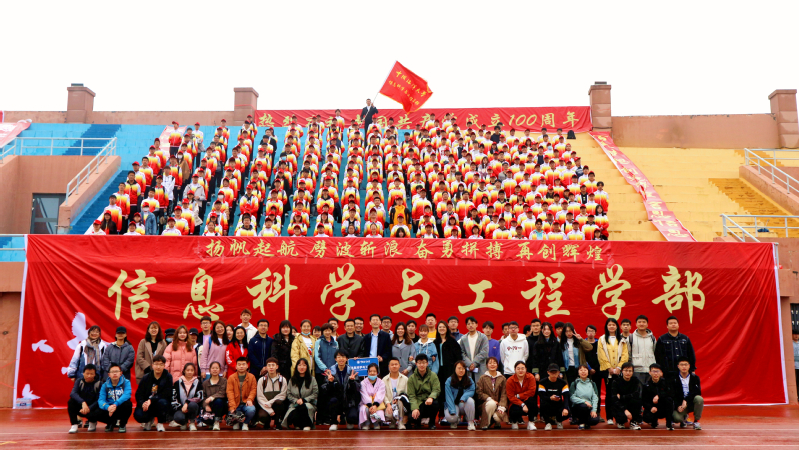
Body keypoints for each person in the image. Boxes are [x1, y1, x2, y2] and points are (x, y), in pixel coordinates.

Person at [598, 318, 628, 425]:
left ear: (616, 326)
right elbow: (601, 355)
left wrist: (619, 367)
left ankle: (619, 417)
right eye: (609, 325)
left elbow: (625, 354)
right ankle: (609, 417)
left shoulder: (622, 339)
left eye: (613, 325)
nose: (611, 326)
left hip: (619, 371)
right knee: (609, 394)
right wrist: (609, 367)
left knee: (619, 394)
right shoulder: (602, 339)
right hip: (608, 372)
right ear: (606, 326)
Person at [133, 355, 172, 431]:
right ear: (152, 365)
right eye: (156, 364)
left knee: (163, 403)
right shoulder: (146, 377)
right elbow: (139, 394)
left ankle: (160, 423)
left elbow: (167, 393)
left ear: (164, 366)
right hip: (147, 404)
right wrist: (143, 403)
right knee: (139, 415)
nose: (158, 367)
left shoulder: (168, 377)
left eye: (161, 364)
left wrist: (151, 400)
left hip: (160, 402)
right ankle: (148, 420)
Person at [323, 351, 360, 430]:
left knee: (353, 418)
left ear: (346, 359)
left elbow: (358, 388)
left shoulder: (352, 371)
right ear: (335, 359)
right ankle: (334, 422)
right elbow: (325, 389)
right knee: (332, 401)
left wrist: (352, 382)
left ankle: (349, 420)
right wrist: (330, 382)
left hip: (348, 400)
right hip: (336, 400)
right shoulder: (330, 372)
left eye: (343, 357)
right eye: (339, 357)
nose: (341, 359)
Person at [282, 359, 318, 431]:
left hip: (309, 403)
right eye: (300, 365)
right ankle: (298, 424)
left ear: (307, 367)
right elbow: (288, 394)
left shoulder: (312, 379)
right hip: (295, 404)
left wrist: (304, 400)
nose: (302, 367)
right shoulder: (292, 380)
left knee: (303, 407)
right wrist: (296, 400)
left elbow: (315, 393)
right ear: (296, 367)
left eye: (304, 365)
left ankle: (307, 424)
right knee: (292, 414)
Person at [407, 354, 441, 429]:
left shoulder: (433, 375)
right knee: (412, 418)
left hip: (428, 402)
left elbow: (436, 389)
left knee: (435, 403)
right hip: (418, 403)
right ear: (416, 364)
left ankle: (432, 423)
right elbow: (411, 395)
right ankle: (418, 421)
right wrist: (415, 408)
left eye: (424, 362)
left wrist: (431, 397)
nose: (422, 365)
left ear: (427, 363)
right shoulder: (411, 378)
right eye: (419, 363)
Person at [68, 364, 103, 433]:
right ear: (83, 373)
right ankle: (74, 424)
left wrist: (89, 408)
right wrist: (83, 402)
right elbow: (73, 393)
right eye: (87, 373)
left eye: (91, 374)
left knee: (100, 406)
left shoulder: (99, 383)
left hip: (92, 407)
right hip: (82, 407)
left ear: (95, 374)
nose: (89, 376)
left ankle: (92, 421)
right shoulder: (79, 381)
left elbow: (99, 399)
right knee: (71, 402)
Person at [98, 364, 133, 433]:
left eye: (117, 371)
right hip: (109, 409)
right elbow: (101, 400)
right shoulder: (105, 385)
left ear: (121, 373)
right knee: (97, 409)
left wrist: (115, 404)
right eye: (112, 372)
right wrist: (107, 407)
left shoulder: (126, 382)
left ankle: (122, 424)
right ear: (109, 374)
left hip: (120, 407)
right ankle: (110, 423)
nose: (114, 373)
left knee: (128, 404)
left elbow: (127, 395)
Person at [256, 358, 288, 430]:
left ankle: (277, 422)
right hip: (265, 406)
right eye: (269, 365)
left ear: (277, 367)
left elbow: (282, 395)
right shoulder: (262, 380)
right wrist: (269, 410)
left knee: (279, 402)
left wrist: (270, 403)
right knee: (262, 416)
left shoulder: (282, 380)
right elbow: (260, 397)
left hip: (276, 405)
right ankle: (267, 422)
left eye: (273, 365)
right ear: (266, 367)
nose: (271, 367)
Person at [476, 356, 508, 430]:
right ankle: (485, 423)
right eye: (490, 363)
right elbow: (479, 392)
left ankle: (495, 421)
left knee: (498, 417)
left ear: (497, 365)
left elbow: (504, 394)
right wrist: (489, 399)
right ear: (487, 365)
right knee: (491, 403)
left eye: (494, 363)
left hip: (499, 405)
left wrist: (501, 406)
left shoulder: (502, 378)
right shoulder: (482, 378)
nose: (492, 364)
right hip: (486, 405)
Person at [444, 360, 476, 430]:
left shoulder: (469, 380)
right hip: (453, 405)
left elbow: (471, 390)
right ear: (455, 369)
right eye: (459, 368)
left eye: (463, 368)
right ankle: (455, 420)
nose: (461, 370)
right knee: (452, 418)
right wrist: (452, 411)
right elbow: (448, 397)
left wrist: (463, 398)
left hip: (463, 404)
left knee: (470, 400)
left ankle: (470, 422)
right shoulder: (449, 381)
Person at [171, 362, 204, 431]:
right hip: (181, 408)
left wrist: (187, 403)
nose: (189, 372)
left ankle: (192, 422)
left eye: (192, 370)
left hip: (193, 407)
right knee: (178, 417)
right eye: (188, 370)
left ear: (194, 371)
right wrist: (181, 407)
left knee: (193, 405)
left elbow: (200, 397)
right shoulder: (177, 383)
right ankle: (184, 423)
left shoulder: (198, 383)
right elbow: (173, 398)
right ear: (184, 371)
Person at [226, 357, 257, 431]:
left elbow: (253, 390)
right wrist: (232, 406)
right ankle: (236, 422)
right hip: (235, 404)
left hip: (246, 403)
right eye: (239, 364)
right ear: (236, 366)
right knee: (230, 412)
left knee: (251, 409)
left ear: (247, 366)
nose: (241, 366)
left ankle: (245, 423)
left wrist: (250, 399)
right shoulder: (231, 378)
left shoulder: (252, 377)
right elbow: (229, 392)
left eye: (243, 364)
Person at [672, 356, 703, 430]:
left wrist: (686, 400)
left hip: (690, 402)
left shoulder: (695, 378)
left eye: (686, 364)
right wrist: (678, 405)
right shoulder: (673, 378)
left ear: (689, 366)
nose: (684, 367)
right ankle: (684, 418)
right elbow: (672, 393)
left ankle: (696, 421)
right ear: (678, 366)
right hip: (680, 403)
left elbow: (697, 392)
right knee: (676, 418)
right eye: (682, 365)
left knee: (699, 399)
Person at [506, 361, 537, 430]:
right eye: (518, 368)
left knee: (532, 401)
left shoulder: (531, 377)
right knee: (513, 409)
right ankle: (514, 422)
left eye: (522, 368)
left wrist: (519, 396)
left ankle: (531, 422)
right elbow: (511, 397)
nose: (520, 370)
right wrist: (522, 404)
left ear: (526, 369)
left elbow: (531, 392)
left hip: (527, 400)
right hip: (515, 402)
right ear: (515, 370)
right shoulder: (510, 380)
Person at [538, 363, 570, 430]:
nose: (554, 374)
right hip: (547, 404)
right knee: (543, 404)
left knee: (569, 407)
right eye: (552, 372)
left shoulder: (563, 383)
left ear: (558, 372)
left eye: (555, 372)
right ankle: (548, 423)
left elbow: (566, 396)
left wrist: (565, 408)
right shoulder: (542, 382)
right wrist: (550, 398)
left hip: (558, 404)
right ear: (548, 372)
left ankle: (559, 420)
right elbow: (542, 396)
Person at [611, 362, 643, 429]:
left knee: (637, 401)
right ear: (622, 371)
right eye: (626, 370)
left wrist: (621, 397)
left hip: (631, 403)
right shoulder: (616, 382)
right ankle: (620, 421)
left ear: (633, 372)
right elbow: (614, 398)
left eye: (630, 371)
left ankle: (633, 422)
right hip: (620, 405)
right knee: (621, 416)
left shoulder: (635, 380)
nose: (628, 373)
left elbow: (636, 394)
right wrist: (625, 410)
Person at [642, 363, 674, 430]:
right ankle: (654, 422)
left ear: (661, 373)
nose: (656, 373)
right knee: (647, 418)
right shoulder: (646, 385)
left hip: (663, 408)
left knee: (669, 400)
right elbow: (643, 400)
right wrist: (651, 408)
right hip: (653, 408)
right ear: (650, 372)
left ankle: (669, 424)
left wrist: (659, 396)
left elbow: (670, 393)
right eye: (654, 371)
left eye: (657, 371)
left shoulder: (666, 383)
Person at [569, 364, 600, 429]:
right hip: (578, 407)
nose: (583, 372)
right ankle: (581, 422)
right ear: (578, 372)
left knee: (595, 420)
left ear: (588, 372)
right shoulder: (574, 383)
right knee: (583, 406)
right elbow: (572, 397)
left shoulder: (592, 383)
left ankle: (586, 422)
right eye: (581, 370)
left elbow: (595, 398)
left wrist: (594, 410)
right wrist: (584, 402)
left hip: (589, 407)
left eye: (585, 370)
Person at [460, 316, 489, 383]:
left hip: (480, 367)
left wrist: (474, 363)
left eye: (472, 323)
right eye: (468, 324)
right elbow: (462, 353)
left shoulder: (483, 337)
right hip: (468, 368)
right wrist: (469, 364)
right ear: (466, 326)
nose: (471, 325)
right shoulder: (463, 339)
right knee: (468, 385)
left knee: (481, 386)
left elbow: (484, 352)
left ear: (476, 325)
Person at [383, 357, 410, 430]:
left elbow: (407, 393)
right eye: (392, 364)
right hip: (389, 403)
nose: (394, 366)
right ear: (389, 366)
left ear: (399, 365)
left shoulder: (405, 379)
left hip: (401, 404)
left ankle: (400, 422)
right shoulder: (384, 379)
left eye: (396, 364)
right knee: (388, 414)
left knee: (400, 402)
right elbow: (383, 395)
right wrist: (388, 404)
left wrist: (399, 399)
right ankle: (392, 421)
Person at [629, 315, 656, 383]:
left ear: (647, 324)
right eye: (639, 322)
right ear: (636, 324)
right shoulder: (631, 338)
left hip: (650, 370)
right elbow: (628, 354)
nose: (641, 324)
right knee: (638, 389)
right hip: (637, 370)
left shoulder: (652, 338)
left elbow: (655, 352)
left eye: (644, 322)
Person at [359, 363, 387, 429]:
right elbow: (364, 395)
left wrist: (375, 405)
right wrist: (370, 405)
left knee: (379, 412)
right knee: (364, 409)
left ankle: (376, 423)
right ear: (367, 372)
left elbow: (380, 394)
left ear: (377, 372)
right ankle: (367, 423)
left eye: (374, 371)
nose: (372, 373)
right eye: (370, 371)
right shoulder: (363, 383)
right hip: (366, 403)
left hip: (377, 404)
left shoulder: (381, 382)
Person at [201, 361, 228, 430]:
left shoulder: (224, 381)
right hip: (210, 406)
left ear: (220, 370)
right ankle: (210, 422)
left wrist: (212, 397)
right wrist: (206, 406)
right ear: (209, 370)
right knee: (206, 419)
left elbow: (222, 392)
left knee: (218, 401)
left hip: (221, 406)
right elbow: (203, 397)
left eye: (217, 368)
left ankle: (216, 421)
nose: (215, 370)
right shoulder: (205, 383)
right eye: (213, 368)